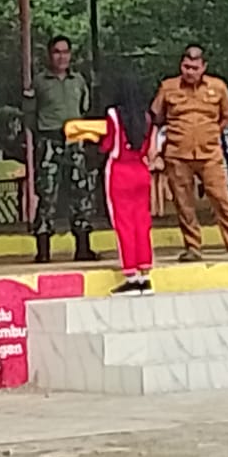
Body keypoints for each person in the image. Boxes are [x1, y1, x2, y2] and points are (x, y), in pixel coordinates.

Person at [150, 46, 228, 262]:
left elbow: (225, 117)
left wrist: (210, 134)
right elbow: (156, 118)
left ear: (204, 67)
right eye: (186, 67)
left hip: (209, 154)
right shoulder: (168, 87)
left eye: (195, 68)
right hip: (177, 154)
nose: (190, 72)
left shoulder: (218, 87)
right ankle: (193, 247)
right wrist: (155, 150)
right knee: (183, 203)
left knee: (222, 199)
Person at [23, 35, 97, 264]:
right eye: (57, 52)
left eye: (65, 52)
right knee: (47, 193)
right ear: (49, 55)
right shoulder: (39, 82)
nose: (61, 57)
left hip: (75, 139)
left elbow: (84, 107)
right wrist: (41, 135)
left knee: (81, 192)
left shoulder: (78, 81)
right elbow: (29, 113)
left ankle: (83, 247)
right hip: (49, 140)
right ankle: (43, 249)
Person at [88, 73, 156, 294]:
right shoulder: (147, 117)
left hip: (120, 171)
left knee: (123, 223)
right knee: (142, 222)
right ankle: (145, 274)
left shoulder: (113, 115)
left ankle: (131, 275)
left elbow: (108, 145)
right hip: (141, 171)